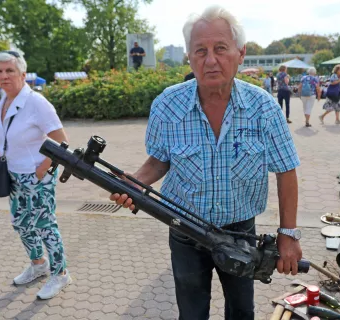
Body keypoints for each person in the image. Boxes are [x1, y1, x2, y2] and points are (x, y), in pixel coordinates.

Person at [110, 6, 302, 319]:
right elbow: (158, 162)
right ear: (189, 56)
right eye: (200, 50)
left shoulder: (263, 108)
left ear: (240, 53)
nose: (210, 60)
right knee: (192, 312)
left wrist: (289, 234)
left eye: (220, 49)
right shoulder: (167, 105)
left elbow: (286, 170)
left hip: (241, 233)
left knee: (241, 311)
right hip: (183, 229)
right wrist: (135, 182)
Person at [0, 51, 71, 300]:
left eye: (9, 71)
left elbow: (62, 141)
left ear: (23, 74)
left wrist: (43, 167)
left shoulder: (36, 103)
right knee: (22, 224)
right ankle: (39, 265)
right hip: (14, 175)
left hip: (36, 178)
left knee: (45, 226)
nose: (3, 76)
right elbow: (9, 133)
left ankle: (61, 273)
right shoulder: (5, 100)